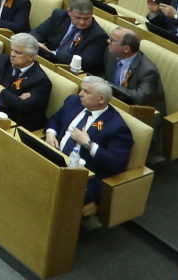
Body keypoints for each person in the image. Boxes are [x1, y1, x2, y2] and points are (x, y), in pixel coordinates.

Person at [45, 77, 132, 222]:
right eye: (81, 89)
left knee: (56, 191)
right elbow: (55, 119)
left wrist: (89, 144)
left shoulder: (117, 127)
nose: (80, 94)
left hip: (85, 176)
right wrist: (50, 134)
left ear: (101, 99)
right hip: (55, 156)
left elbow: (118, 163)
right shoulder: (74, 102)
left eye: (86, 92)